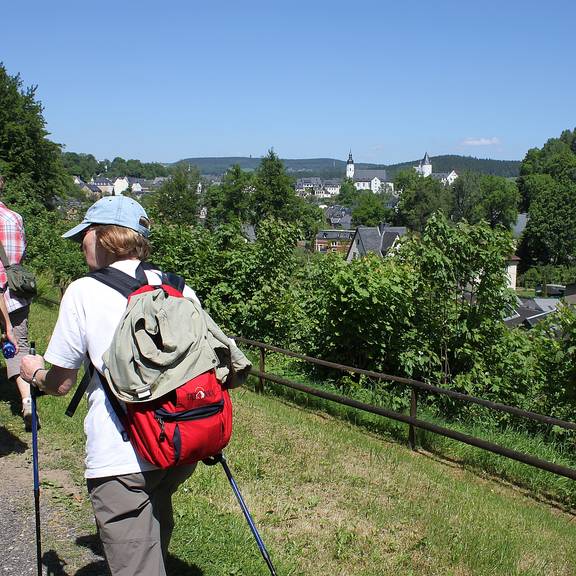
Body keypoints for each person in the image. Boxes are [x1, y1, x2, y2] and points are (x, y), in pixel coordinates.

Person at [20, 196, 201, 576]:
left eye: (84, 236)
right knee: (154, 522)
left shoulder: (83, 291)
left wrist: (34, 373)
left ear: (103, 238)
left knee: (136, 561)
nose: (80, 244)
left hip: (122, 452)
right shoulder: (176, 286)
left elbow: (62, 382)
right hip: (179, 443)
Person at [0, 174, 34, 429]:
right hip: (12, 291)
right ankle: (26, 401)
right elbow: (20, 252)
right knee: (17, 344)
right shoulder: (14, 218)